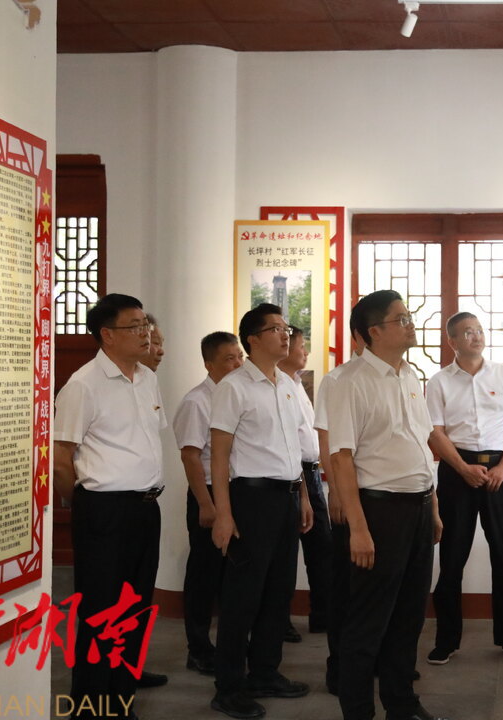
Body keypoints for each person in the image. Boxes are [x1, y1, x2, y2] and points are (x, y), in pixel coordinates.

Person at [328, 290, 447, 720]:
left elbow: (420, 445)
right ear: (374, 331)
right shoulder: (347, 381)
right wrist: (358, 528)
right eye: (402, 319)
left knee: (409, 615)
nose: (411, 325)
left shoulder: (410, 375)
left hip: (417, 509)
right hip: (379, 512)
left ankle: (402, 704)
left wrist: (433, 507)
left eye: (409, 317)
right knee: (367, 621)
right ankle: (358, 711)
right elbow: (341, 458)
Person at [52, 293, 168, 719]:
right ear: (107, 335)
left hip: (145, 508)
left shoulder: (147, 378)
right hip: (103, 511)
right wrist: (85, 503)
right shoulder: (83, 385)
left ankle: (121, 701)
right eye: (134, 326)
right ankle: (89, 706)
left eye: (145, 324)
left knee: (135, 609)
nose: (145, 333)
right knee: (101, 612)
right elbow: (60, 457)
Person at [208, 303, 313, 719]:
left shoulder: (286, 384)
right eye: (275, 329)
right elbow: (219, 455)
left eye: (286, 328)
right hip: (251, 500)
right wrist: (223, 514)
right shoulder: (234, 387)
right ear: (252, 339)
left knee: (278, 590)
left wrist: (303, 496)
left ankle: (265, 672)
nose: (285, 335)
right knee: (243, 596)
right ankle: (228, 687)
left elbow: (294, 449)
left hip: (286, 497)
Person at [426, 312, 503, 664]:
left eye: (479, 330)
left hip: (498, 472)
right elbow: (435, 432)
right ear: (452, 342)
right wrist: (462, 468)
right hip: (457, 472)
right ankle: (446, 641)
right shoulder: (439, 381)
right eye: (467, 332)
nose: (476, 336)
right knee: (452, 557)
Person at [172, 332, 244, 676]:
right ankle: (198, 648)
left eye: (240, 356)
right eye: (229, 358)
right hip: (210, 495)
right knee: (205, 574)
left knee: (233, 574)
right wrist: (205, 504)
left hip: (236, 492)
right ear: (209, 364)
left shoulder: (236, 396)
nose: (238, 364)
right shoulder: (197, 401)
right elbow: (190, 456)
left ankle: (230, 645)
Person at [313, 321, 365, 696]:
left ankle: (375, 660)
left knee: (376, 587)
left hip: (383, 496)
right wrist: (334, 491)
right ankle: (340, 667)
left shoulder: (400, 376)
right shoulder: (338, 380)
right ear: (362, 335)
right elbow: (326, 438)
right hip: (349, 491)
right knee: (345, 585)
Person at [277, 326, 333, 639]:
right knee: (284, 552)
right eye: (301, 346)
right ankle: (279, 620)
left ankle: (323, 614)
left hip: (311, 473)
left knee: (322, 547)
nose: (305, 352)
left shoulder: (298, 384)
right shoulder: (278, 384)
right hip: (292, 475)